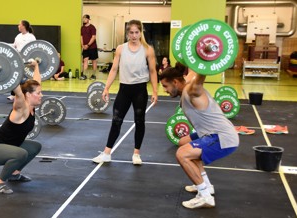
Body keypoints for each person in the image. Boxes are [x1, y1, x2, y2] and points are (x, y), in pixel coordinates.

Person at [159, 63, 239, 209]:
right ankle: (206, 185)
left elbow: (199, 78)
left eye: (165, 86)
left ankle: (205, 196)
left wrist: (206, 64)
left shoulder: (191, 90)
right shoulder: (185, 81)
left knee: (182, 154)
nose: (164, 90)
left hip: (221, 136)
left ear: (175, 82)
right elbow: (194, 67)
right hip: (210, 133)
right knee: (183, 142)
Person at [92, 19, 158, 165]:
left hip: (140, 89)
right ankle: (107, 153)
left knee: (139, 121)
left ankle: (136, 154)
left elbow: (153, 71)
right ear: (127, 33)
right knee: (116, 120)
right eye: (131, 33)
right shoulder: (121, 48)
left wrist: (155, 91)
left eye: (137, 32)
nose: (134, 35)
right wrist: (106, 88)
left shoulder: (148, 49)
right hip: (124, 89)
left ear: (141, 32)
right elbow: (114, 69)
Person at [0, 60, 43, 194]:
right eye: (38, 93)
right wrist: (10, 74)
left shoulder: (31, 105)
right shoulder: (21, 109)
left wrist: (36, 66)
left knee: (35, 147)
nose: (41, 95)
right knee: (21, 153)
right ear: (28, 95)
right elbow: (19, 93)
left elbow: (37, 82)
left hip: (9, 145)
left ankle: (15, 174)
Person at [7, 20, 36, 101]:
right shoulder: (18, 36)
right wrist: (6, 46)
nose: (18, 26)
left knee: (26, 79)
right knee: (15, 76)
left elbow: (34, 48)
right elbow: (14, 46)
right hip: (18, 60)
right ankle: (13, 95)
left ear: (24, 26)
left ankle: (27, 94)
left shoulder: (31, 37)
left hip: (27, 61)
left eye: (19, 25)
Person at [80, 14, 98, 80]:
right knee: (85, 60)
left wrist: (88, 45)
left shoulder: (92, 27)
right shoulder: (82, 28)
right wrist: (82, 45)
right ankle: (84, 75)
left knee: (94, 61)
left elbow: (93, 37)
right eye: (83, 18)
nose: (84, 20)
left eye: (85, 18)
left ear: (88, 19)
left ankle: (94, 75)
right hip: (85, 47)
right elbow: (81, 37)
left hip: (92, 47)